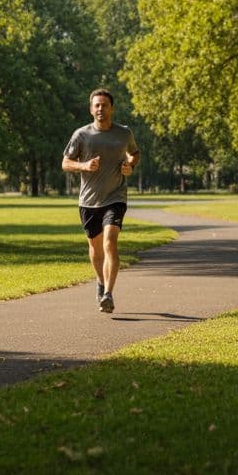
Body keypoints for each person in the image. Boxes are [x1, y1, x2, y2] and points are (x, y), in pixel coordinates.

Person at [62, 88, 141, 314]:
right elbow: (66, 163)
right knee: (95, 249)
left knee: (110, 241)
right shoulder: (81, 135)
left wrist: (130, 165)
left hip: (115, 197)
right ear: (91, 109)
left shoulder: (124, 134)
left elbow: (135, 153)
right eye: (96, 105)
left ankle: (108, 293)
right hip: (88, 201)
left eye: (104, 105)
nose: (100, 109)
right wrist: (84, 166)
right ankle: (100, 281)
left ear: (112, 108)